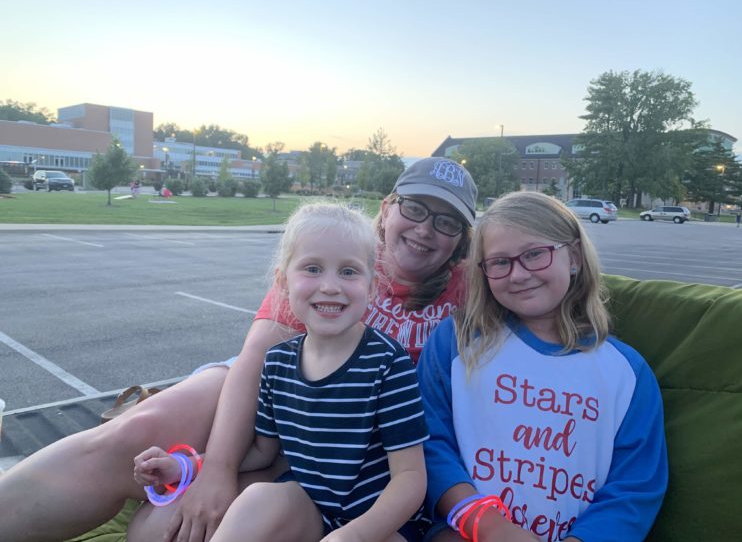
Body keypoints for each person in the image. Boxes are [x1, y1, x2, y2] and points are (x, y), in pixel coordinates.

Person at [0, 156, 477, 542]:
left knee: (159, 531)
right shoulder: (331, 248)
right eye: (414, 208)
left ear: (462, 240)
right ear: (388, 207)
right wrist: (214, 471)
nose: (426, 229)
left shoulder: (473, 287)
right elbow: (256, 362)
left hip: (351, 432)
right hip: (281, 385)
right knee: (135, 434)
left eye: (447, 222)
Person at [133, 203, 429, 541]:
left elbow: (410, 478)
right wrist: (185, 466)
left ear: (372, 287)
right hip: (312, 510)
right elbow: (262, 453)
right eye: (313, 269)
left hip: (381, 524)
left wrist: (355, 535)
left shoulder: (388, 363)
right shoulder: (277, 363)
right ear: (283, 282)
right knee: (260, 498)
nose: (330, 286)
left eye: (348, 272)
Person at [416, 191, 668, 542]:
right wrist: (487, 525)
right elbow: (428, 443)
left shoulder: (627, 373)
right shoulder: (457, 341)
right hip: (465, 532)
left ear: (574, 257)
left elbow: (635, 486)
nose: (518, 274)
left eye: (535, 254)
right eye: (499, 262)